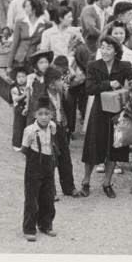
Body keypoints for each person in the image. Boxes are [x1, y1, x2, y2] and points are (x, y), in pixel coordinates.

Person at [80, 36, 132, 198]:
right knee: (93, 148)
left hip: (117, 113)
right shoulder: (93, 66)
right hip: (98, 112)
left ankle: (107, 183)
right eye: (102, 47)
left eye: (109, 48)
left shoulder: (124, 66)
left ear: (116, 50)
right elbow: (89, 88)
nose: (105, 51)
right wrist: (109, 84)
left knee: (114, 148)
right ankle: (86, 181)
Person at [42, 67, 83, 199]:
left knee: (66, 159)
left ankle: (69, 188)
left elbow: (70, 107)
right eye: (59, 80)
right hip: (49, 131)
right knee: (50, 161)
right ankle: (50, 191)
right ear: (51, 85)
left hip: (62, 129)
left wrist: (66, 94)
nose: (62, 82)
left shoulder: (62, 93)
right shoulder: (43, 97)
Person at [21, 97, 58, 241]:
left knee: (48, 197)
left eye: (47, 114)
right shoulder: (30, 130)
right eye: (40, 114)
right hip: (34, 165)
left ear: (51, 115)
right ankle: (29, 228)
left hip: (48, 164)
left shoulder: (52, 127)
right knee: (32, 198)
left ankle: (46, 224)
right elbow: (24, 149)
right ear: (35, 115)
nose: (44, 117)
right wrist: (33, 161)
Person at [8, 0, 51, 72]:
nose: (25, 9)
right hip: (19, 59)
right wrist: (9, 65)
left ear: (34, 8)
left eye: (28, 6)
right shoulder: (20, 22)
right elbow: (15, 43)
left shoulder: (46, 24)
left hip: (35, 60)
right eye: (25, 6)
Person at [10, 66, 29, 150]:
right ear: (16, 79)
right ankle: (16, 144)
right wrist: (24, 94)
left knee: (26, 126)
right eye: (19, 77)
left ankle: (25, 144)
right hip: (18, 109)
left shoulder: (28, 87)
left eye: (23, 76)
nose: (21, 79)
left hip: (27, 108)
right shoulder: (15, 89)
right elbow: (15, 99)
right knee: (18, 126)